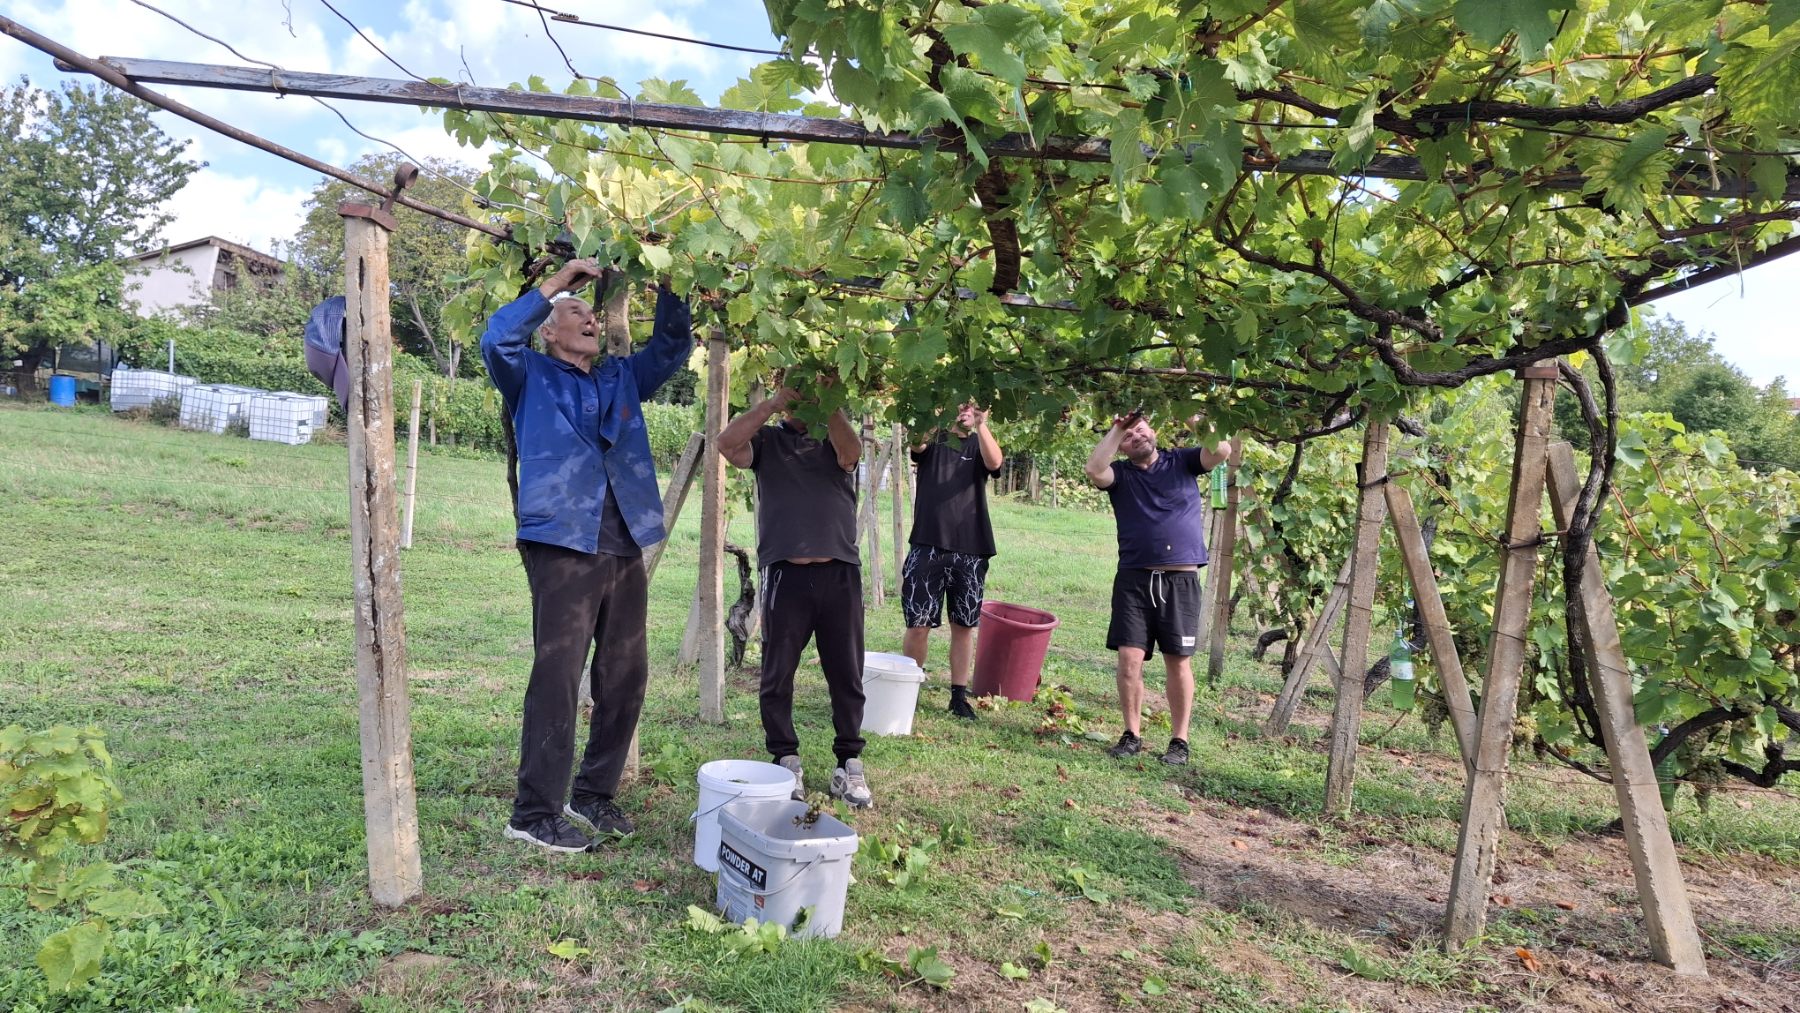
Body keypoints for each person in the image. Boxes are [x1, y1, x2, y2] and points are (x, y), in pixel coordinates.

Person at [482, 258, 693, 853]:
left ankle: (593, 794)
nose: (588, 318)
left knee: (626, 672)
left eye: (591, 312)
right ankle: (532, 812)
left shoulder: (620, 379)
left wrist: (669, 278)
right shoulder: (527, 375)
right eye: (574, 313)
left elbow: (673, 346)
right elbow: (497, 335)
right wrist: (556, 285)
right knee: (558, 671)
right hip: (561, 539)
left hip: (622, 534)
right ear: (547, 330)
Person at [716, 377, 874, 808]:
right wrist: (772, 404)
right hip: (786, 574)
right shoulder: (766, 441)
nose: (801, 398)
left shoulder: (834, 434)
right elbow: (726, 444)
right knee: (777, 671)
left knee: (846, 671)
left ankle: (849, 764)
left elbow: (852, 455)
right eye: (795, 389)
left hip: (839, 572)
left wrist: (826, 406)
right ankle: (786, 758)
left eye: (810, 390)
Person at [1084, 412, 1232, 766]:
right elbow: (1093, 470)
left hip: (1180, 580)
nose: (1137, 435)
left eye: (1141, 428)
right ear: (1120, 443)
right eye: (1128, 434)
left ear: (1154, 430)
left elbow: (1222, 450)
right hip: (1135, 579)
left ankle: (1179, 740)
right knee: (1129, 660)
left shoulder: (1181, 461)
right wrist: (1117, 426)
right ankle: (1131, 733)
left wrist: (1198, 421)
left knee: (1178, 662)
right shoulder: (1119, 475)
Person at [900, 402, 1004, 719]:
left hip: (971, 548)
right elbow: (915, 444)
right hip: (927, 544)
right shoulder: (934, 439)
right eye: (961, 405)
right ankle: (908, 690)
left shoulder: (979, 441)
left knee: (964, 625)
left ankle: (958, 697)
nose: (965, 411)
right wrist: (936, 414)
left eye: (972, 406)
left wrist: (982, 424)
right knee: (918, 624)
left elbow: (995, 462)